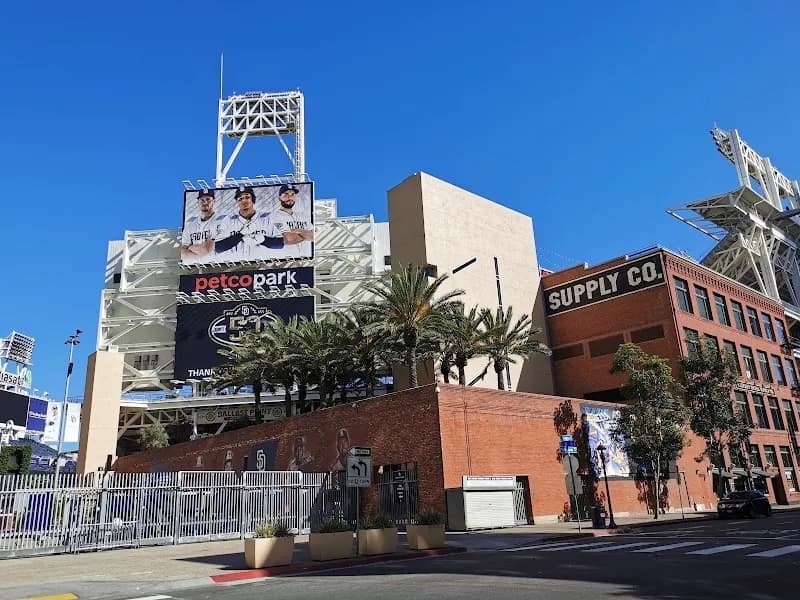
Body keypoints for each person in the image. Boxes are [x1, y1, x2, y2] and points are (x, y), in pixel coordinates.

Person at [214, 186, 284, 260]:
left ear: (253, 199)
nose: (244, 201)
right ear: (237, 202)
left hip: (262, 263)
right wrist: (240, 235)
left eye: (247, 197)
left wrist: (264, 240)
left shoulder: (267, 218)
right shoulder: (228, 220)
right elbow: (218, 248)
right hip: (236, 263)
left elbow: (280, 244)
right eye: (240, 199)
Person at [268, 184, 314, 257]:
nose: (290, 197)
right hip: (284, 259)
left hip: (306, 258)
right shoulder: (274, 216)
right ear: (279, 198)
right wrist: (306, 235)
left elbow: (313, 236)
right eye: (286, 194)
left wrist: (299, 231)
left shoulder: (302, 216)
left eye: (292, 194)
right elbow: (289, 239)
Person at [181, 189, 223, 264]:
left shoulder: (221, 221)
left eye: (208, 199)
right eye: (202, 200)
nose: (205, 202)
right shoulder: (190, 225)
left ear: (214, 201)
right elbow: (183, 253)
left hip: (218, 264)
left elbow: (207, 250)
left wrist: (190, 247)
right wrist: (200, 257)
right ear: (198, 202)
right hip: (195, 267)